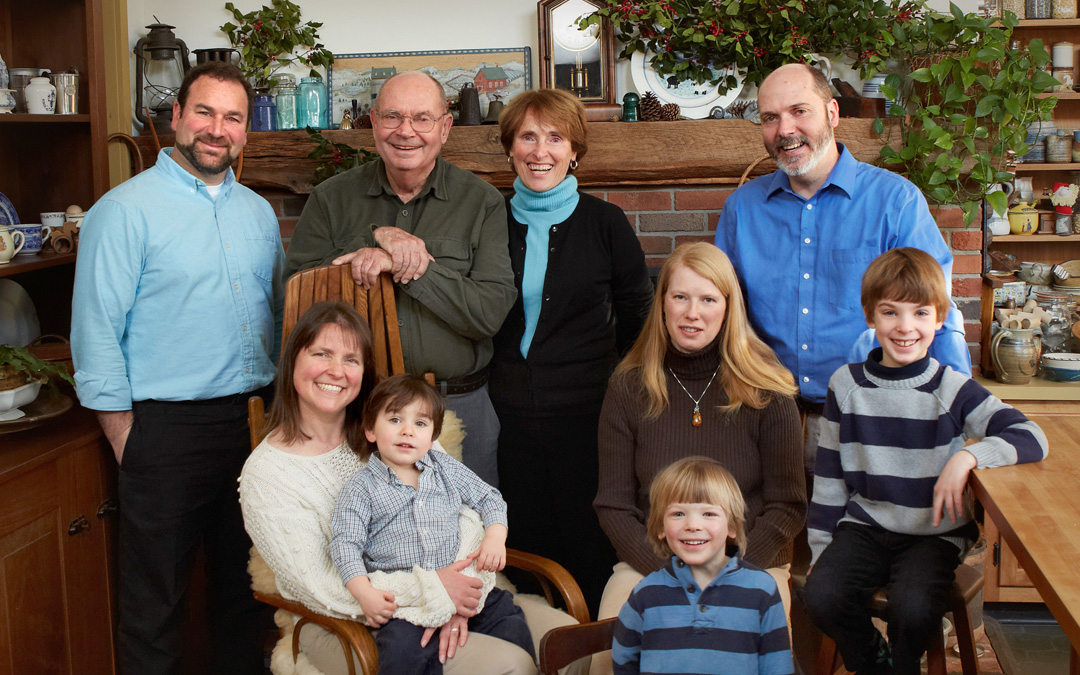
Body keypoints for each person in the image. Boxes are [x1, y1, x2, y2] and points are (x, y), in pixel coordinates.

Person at [70, 61, 284, 674]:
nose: (217, 129)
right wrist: (127, 439)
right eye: (205, 112)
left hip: (251, 426)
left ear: (246, 132)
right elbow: (95, 334)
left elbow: (273, 312)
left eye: (233, 117)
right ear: (176, 119)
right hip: (163, 432)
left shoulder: (258, 214)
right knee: (154, 607)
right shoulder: (124, 211)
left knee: (245, 598)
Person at [240, 302, 580, 675]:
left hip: (460, 589)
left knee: (571, 642)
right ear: (292, 361)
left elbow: (466, 514)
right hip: (351, 622)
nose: (336, 371)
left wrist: (457, 592)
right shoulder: (268, 475)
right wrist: (433, 593)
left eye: (351, 359)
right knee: (511, 664)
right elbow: (323, 588)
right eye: (322, 354)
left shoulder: (399, 428)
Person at [713, 62, 971, 470]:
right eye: (770, 118)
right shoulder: (741, 210)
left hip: (875, 418)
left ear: (832, 113)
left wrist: (957, 417)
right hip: (766, 419)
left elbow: (937, 313)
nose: (785, 130)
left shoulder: (895, 202)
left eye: (800, 111)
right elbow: (720, 317)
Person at [802, 248, 1048, 675]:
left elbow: (1032, 436)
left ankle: (903, 665)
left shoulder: (953, 388)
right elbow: (829, 477)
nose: (904, 327)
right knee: (820, 594)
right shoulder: (846, 385)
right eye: (890, 312)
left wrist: (967, 457)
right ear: (870, 316)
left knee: (914, 607)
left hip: (935, 534)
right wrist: (824, 552)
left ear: (939, 319)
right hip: (865, 527)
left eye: (919, 313)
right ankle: (878, 664)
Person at [284, 70, 516, 487]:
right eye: (392, 117)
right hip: (359, 409)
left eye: (422, 119)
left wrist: (414, 267)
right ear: (373, 124)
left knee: (469, 536)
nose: (406, 131)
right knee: (361, 539)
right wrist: (376, 238)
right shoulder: (330, 199)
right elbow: (296, 304)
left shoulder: (482, 202)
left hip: (458, 407)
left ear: (445, 127)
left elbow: (488, 314)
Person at [491, 88, 653, 613]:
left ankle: (589, 651)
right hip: (506, 413)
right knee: (524, 539)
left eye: (555, 138)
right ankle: (537, 647)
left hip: (588, 416)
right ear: (510, 147)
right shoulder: (487, 222)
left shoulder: (606, 224)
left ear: (574, 149)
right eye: (528, 136)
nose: (541, 151)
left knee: (588, 539)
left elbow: (639, 318)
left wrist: (615, 383)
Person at [594, 243, 805, 640]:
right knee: (609, 651)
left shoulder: (768, 390)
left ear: (728, 308)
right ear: (662, 304)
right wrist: (669, 576)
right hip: (651, 562)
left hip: (750, 562)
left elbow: (787, 506)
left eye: (708, 299)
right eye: (680, 297)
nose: (693, 313)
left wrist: (730, 573)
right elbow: (614, 506)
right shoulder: (628, 388)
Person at [330, 374, 533, 674]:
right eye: (395, 419)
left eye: (420, 424)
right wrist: (363, 591)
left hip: (465, 591)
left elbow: (489, 498)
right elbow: (345, 544)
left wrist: (495, 535)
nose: (408, 431)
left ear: (433, 435)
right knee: (400, 652)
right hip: (411, 605)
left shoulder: (443, 467)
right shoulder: (361, 488)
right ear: (371, 430)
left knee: (510, 622)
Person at [612, 457, 793, 675]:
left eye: (709, 514)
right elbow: (624, 660)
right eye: (678, 514)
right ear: (660, 527)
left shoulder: (762, 590)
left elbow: (778, 668)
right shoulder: (645, 593)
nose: (693, 525)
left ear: (732, 526)